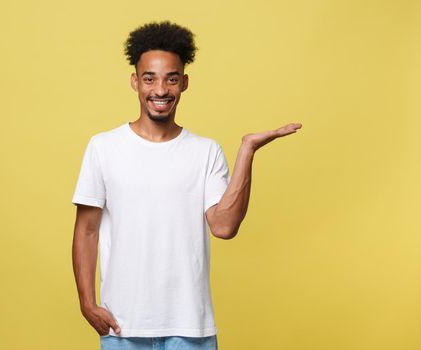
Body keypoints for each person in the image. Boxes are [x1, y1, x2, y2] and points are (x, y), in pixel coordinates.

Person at [72, 20, 302, 350]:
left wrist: (247, 151)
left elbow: (223, 226)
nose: (161, 89)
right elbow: (87, 230)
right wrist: (86, 303)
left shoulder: (205, 152)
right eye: (149, 78)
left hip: (190, 327)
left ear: (184, 83)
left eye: (171, 78)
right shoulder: (103, 147)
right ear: (135, 82)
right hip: (122, 323)